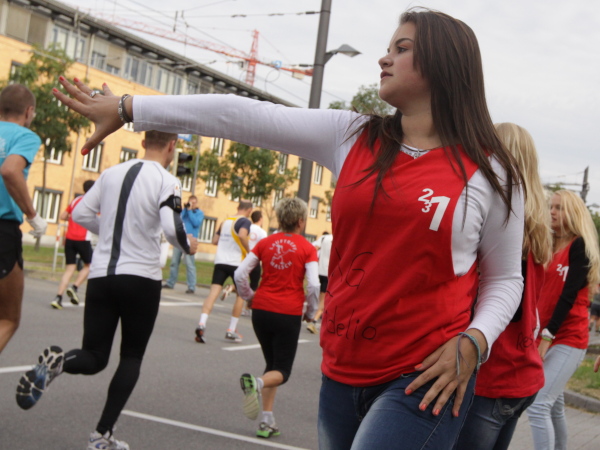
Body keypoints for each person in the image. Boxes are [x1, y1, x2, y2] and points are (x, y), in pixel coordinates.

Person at [52, 8, 525, 447]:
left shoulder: (493, 172)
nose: (384, 58)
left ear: (444, 63)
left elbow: (505, 279)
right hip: (341, 368)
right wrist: (130, 108)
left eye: (402, 49)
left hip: (424, 378)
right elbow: (242, 115)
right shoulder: (353, 135)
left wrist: (475, 341)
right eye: (388, 48)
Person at [16, 129, 198, 449]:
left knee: (94, 355)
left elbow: (81, 213)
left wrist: (114, 231)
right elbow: (172, 228)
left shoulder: (111, 173)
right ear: (172, 146)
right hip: (140, 277)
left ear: (143, 142)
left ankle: (60, 362)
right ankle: (101, 435)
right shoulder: (167, 180)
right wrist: (189, 245)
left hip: (101, 276)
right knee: (131, 357)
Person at [455, 123, 553, 450]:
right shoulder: (536, 230)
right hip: (522, 372)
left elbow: (505, 307)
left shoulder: (505, 224)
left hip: (491, 376)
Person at [234, 198, 320, 438]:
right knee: (282, 371)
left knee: (271, 365)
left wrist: (250, 296)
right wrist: (311, 313)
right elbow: (314, 285)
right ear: (300, 221)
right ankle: (256, 383)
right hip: (287, 312)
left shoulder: (265, 243)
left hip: (261, 311)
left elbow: (240, 273)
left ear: (280, 219)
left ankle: (267, 421)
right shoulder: (308, 248)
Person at [526, 190, 600, 450]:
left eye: (559, 208)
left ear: (573, 213)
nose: (552, 212)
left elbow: (567, 297)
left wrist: (547, 336)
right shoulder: (546, 244)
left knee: (538, 405)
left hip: (568, 338)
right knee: (554, 406)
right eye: (551, 207)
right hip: (545, 334)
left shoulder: (580, 247)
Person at [0, 84, 47, 354]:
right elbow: (10, 170)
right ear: (29, 112)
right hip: (3, 230)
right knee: (8, 319)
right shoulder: (25, 136)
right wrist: (33, 215)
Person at [194, 200, 253, 344]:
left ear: (238, 207)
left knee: (213, 293)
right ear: (249, 210)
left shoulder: (225, 221)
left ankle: (202, 323)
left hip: (220, 261)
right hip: (236, 263)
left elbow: (214, 240)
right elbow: (242, 235)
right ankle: (231, 329)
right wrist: (249, 251)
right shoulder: (245, 221)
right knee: (241, 295)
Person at [51, 179, 95, 309]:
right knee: (89, 265)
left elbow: (63, 216)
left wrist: (72, 218)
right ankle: (74, 287)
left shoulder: (76, 200)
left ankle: (58, 297)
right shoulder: (93, 202)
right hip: (83, 238)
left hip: (70, 238)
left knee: (69, 268)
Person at [163, 195, 204, 293]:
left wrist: (190, 211)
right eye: (190, 202)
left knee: (189, 264)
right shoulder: (184, 211)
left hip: (191, 240)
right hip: (180, 239)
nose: (192, 204)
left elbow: (196, 223)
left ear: (196, 203)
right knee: (174, 262)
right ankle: (170, 282)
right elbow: (179, 218)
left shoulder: (199, 213)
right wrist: (185, 209)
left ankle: (191, 287)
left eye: (194, 203)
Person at [307, 232, 332, 334]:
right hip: (329, 272)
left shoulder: (324, 237)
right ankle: (314, 320)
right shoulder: (337, 238)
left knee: (321, 296)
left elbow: (314, 248)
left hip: (320, 270)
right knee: (324, 299)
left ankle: (313, 315)